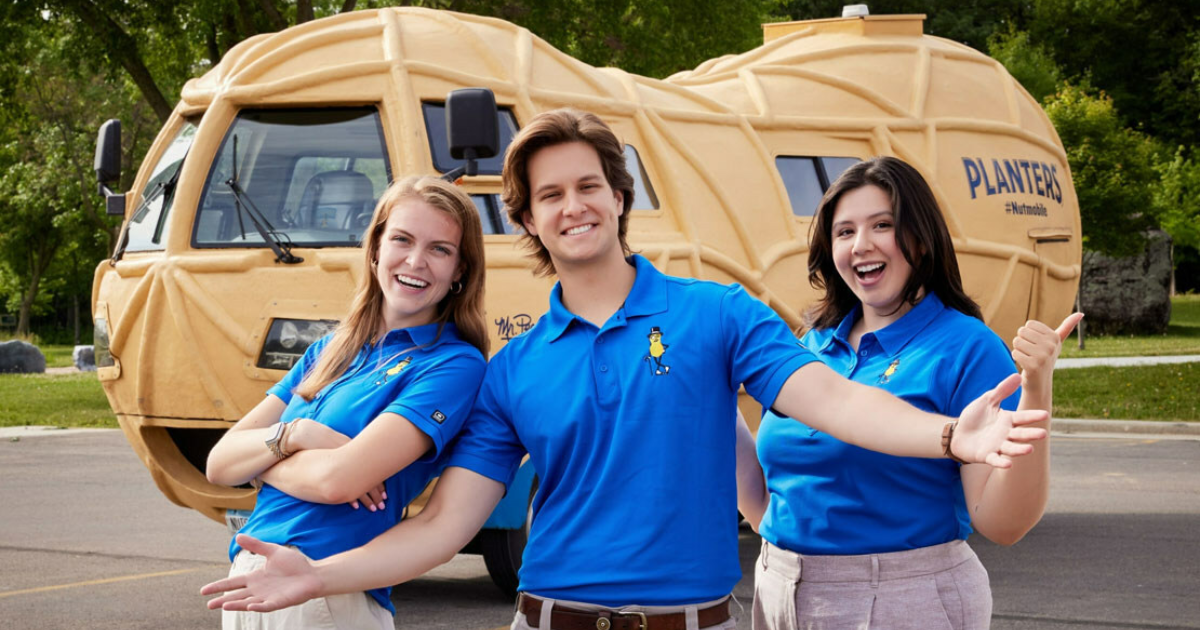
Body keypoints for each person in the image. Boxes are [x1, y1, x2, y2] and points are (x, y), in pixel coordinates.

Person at [202, 110, 1049, 630]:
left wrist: (949, 434)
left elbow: (825, 398)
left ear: (619, 196)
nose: (572, 206)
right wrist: (320, 575)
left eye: (588, 185)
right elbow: (442, 529)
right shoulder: (512, 370)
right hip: (547, 619)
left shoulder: (718, 315)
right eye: (549, 195)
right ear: (527, 220)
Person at [735, 156, 1082, 630]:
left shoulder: (966, 347)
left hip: (902, 600)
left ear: (921, 237)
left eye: (883, 225)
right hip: (781, 592)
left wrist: (1037, 387)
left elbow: (1004, 523)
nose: (861, 245)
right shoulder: (810, 344)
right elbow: (766, 498)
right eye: (844, 232)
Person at [203, 175, 489, 629]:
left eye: (440, 249)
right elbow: (219, 463)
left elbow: (337, 481)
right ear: (375, 247)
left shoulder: (452, 364)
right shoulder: (330, 349)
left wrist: (261, 461)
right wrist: (300, 435)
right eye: (402, 239)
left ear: (460, 271)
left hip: (324, 594)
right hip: (251, 582)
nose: (416, 261)